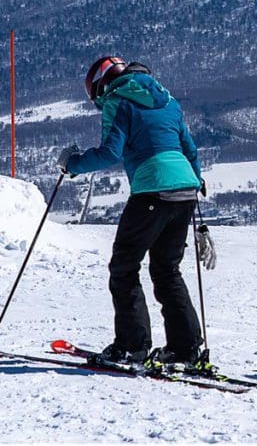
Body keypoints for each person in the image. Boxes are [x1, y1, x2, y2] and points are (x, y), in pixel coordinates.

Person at [57, 56, 205, 367]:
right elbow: (190, 150)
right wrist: (194, 183)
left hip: (152, 189)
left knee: (124, 267)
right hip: (185, 191)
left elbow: (110, 152)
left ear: (101, 84)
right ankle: (185, 348)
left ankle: (131, 346)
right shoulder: (169, 102)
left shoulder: (118, 101)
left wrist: (72, 164)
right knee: (167, 270)